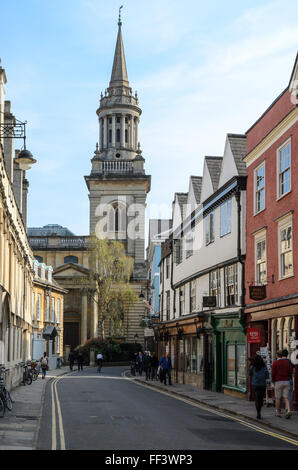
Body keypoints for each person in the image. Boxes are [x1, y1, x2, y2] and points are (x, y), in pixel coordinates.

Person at [272, 350, 293, 418]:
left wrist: (273, 381)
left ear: (277, 355)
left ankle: (278, 412)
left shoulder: (275, 362)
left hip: (278, 381)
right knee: (286, 397)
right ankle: (288, 410)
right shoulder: (287, 362)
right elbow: (290, 372)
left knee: (278, 397)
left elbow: (273, 373)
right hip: (286, 381)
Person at [249, 354, 269, 419]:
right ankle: (260, 407)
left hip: (255, 384)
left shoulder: (253, 367)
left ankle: (258, 412)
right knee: (260, 398)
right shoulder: (264, 367)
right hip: (262, 385)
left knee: (257, 399)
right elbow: (267, 376)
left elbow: (249, 374)